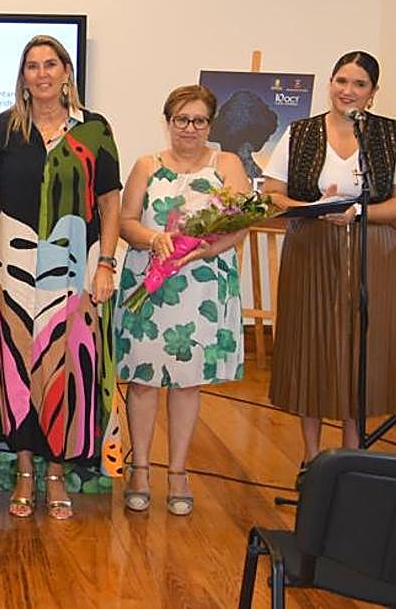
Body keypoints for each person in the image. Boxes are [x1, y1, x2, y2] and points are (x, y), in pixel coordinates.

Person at [0, 34, 122, 520]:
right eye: (32, 66)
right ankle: (25, 472)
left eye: (50, 64)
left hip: (75, 270)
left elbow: (109, 202)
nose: (42, 74)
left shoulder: (94, 130)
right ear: (23, 77)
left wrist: (106, 263)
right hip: (7, 270)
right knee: (14, 367)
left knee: (66, 367)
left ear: (66, 72)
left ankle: (56, 475)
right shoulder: (3, 128)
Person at [262, 51, 396, 474]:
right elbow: (271, 193)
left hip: (374, 253)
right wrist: (312, 205)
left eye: (359, 84)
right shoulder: (300, 133)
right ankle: (311, 458)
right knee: (310, 342)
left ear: (373, 93)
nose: (347, 91)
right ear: (329, 83)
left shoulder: (391, 135)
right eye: (341, 81)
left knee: (362, 345)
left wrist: (357, 213)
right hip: (311, 249)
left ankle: (353, 457)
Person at [114, 84, 250, 516]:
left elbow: (242, 223)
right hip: (151, 284)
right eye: (181, 119)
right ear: (167, 121)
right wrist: (155, 240)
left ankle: (177, 472)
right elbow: (125, 222)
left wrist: (206, 249)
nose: (189, 128)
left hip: (203, 283)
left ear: (210, 125)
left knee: (187, 383)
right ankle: (139, 468)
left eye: (198, 121)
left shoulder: (226, 163)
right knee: (143, 382)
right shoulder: (146, 166)